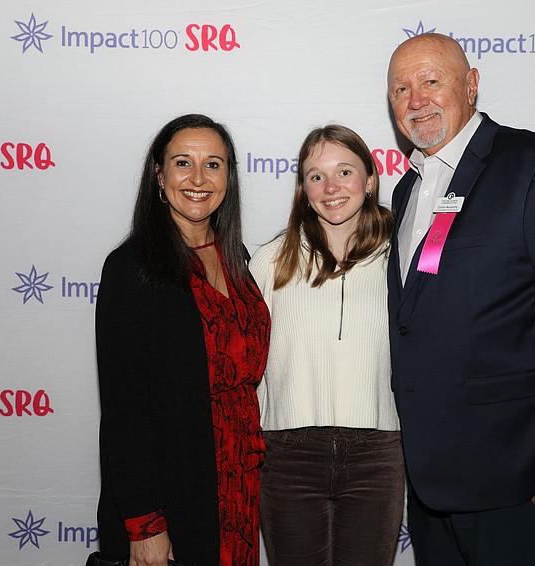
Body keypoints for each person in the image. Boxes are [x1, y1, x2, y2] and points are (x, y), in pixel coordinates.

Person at [385, 33, 535, 565]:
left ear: (471, 86)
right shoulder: (405, 191)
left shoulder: (534, 167)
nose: (415, 100)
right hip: (431, 481)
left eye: (430, 81)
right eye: (400, 88)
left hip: (521, 474)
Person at [94, 114, 270, 566]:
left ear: (228, 178)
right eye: (182, 163)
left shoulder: (238, 259)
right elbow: (123, 408)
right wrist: (144, 524)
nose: (197, 178)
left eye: (213, 164)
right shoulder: (131, 268)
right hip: (175, 492)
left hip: (238, 487)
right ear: (158, 174)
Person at [249, 125, 405, 566]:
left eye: (344, 171)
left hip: (377, 452)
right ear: (302, 187)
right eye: (316, 176)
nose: (331, 187)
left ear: (371, 180)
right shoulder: (271, 260)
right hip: (287, 453)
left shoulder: (403, 256)